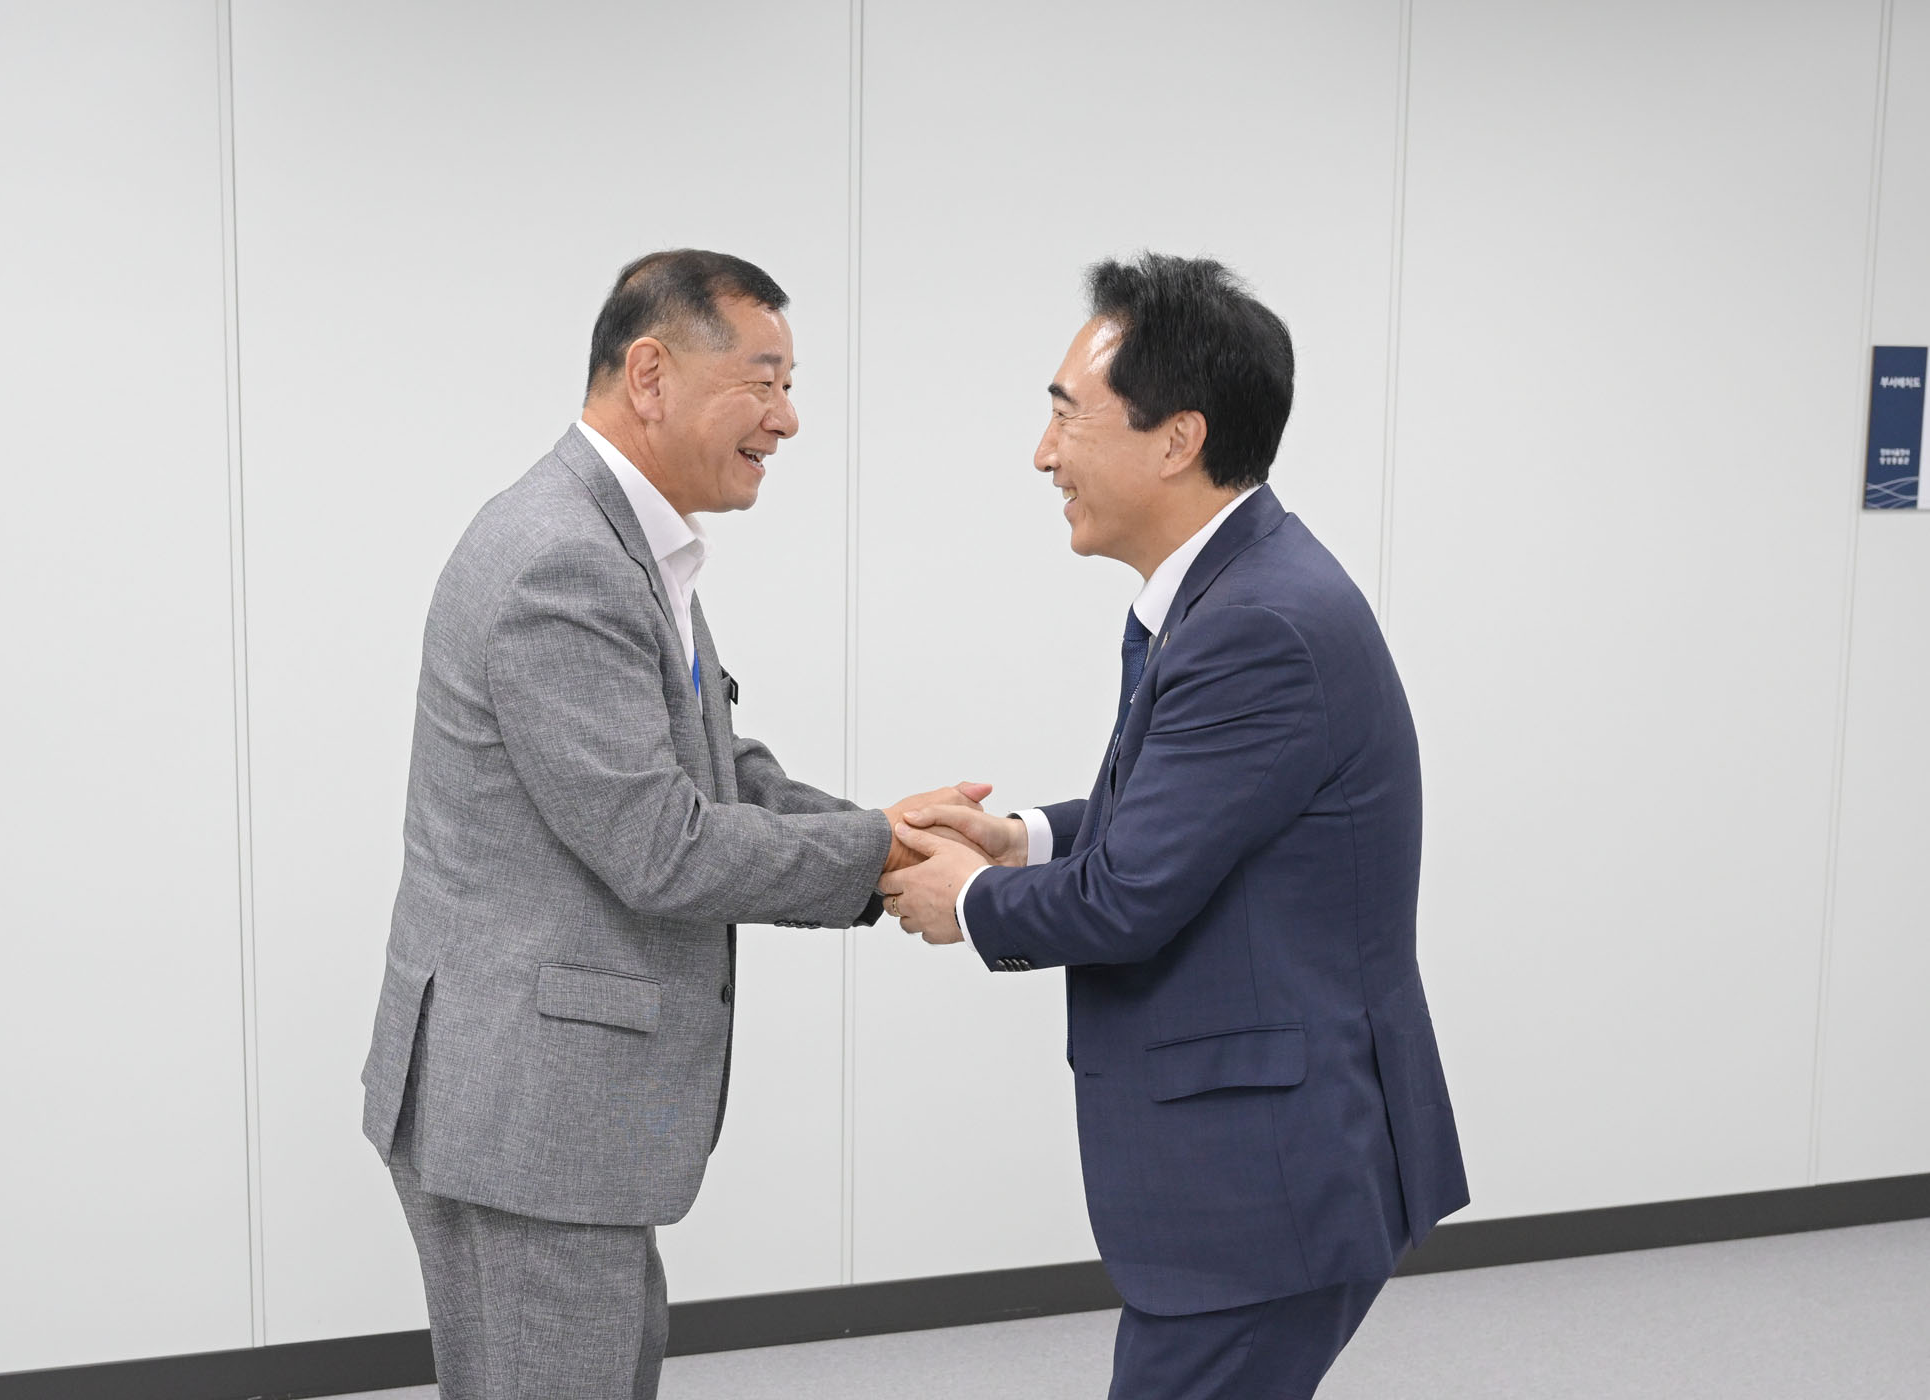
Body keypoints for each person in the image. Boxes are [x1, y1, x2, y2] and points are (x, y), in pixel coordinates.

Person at [359, 248, 986, 1400]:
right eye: (764, 380)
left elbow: (711, 764)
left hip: (541, 1106)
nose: (788, 418)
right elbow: (661, 842)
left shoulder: (620, 541)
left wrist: (880, 825)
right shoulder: (563, 559)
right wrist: (883, 852)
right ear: (650, 374)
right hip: (529, 1111)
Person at [881, 253, 1469, 1400]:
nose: (1042, 453)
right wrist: (1023, 838)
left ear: (1177, 439)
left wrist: (970, 899)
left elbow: (1132, 896)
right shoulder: (1227, 591)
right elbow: (1194, 815)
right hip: (1273, 1156)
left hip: (1268, 1176)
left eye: (1067, 416)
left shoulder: (1257, 623)